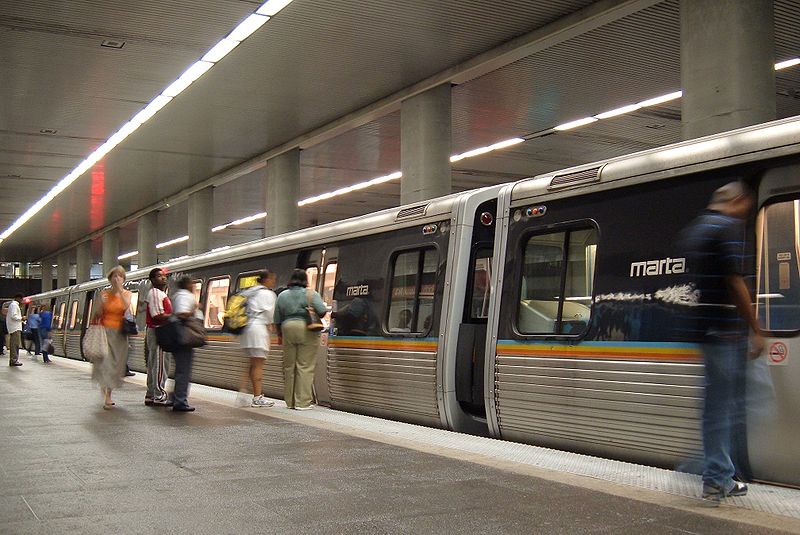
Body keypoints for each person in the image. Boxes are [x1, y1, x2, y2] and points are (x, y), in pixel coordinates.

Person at [681, 181, 765, 502]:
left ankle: (710, 468)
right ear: (739, 201)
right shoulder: (728, 227)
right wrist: (755, 328)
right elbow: (735, 280)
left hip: (704, 331)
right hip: (725, 332)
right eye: (747, 205)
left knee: (716, 406)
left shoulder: (698, 229)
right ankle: (716, 475)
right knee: (728, 407)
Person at [273, 269, 327, 410]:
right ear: (305, 280)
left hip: (287, 329)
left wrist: (280, 335)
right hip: (306, 329)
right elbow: (322, 311)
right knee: (305, 366)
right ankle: (302, 402)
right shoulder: (311, 294)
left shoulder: (282, 296)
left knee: (289, 366)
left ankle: (290, 402)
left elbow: (277, 318)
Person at [91, 266, 132, 409]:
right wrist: (100, 305)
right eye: (114, 276)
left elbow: (126, 307)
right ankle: (107, 395)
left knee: (116, 365)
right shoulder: (104, 294)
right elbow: (96, 313)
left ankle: (108, 390)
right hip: (104, 333)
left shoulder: (127, 294)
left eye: (120, 276)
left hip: (119, 335)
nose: (117, 279)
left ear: (123, 279)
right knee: (105, 363)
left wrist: (119, 291)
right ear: (110, 279)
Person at [238, 271, 277, 408]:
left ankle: (242, 393)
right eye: (272, 279)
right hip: (258, 330)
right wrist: (270, 334)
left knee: (252, 363)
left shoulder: (251, 292)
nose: (273, 282)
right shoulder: (267, 294)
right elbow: (269, 317)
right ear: (266, 280)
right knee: (258, 365)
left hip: (246, 330)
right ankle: (257, 397)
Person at [144, 268, 172, 406]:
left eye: (164, 276)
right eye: (159, 276)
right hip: (159, 331)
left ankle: (151, 394)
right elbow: (157, 315)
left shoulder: (159, 293)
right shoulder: (155, 293)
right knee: (159, 364)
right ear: (153, 280)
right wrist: (176, 316)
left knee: (154, 363)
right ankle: (159, 395)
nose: (163, 278)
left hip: (157, 331)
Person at [170, 276, 198, 412]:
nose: (193, 285)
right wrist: (194, 311)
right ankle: (180, 401)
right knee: (184, 370)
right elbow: (182, 314)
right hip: (184, 336)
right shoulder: (186, 296)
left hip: (176, 336)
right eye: (192, 283)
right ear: (187, 284)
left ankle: (174, 397)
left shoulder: (176, 296)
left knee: (179, 369)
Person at [6, 294, 23, 366]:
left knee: (14, 344)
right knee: (14, 345)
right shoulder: (14, 305)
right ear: (18, 298)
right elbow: (14, 316)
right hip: (15, 328)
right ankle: (14, 360)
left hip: (14, 327)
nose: (22, 301)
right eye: (21, 299)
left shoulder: (13, 305)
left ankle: (14, 360)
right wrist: (22, 318)